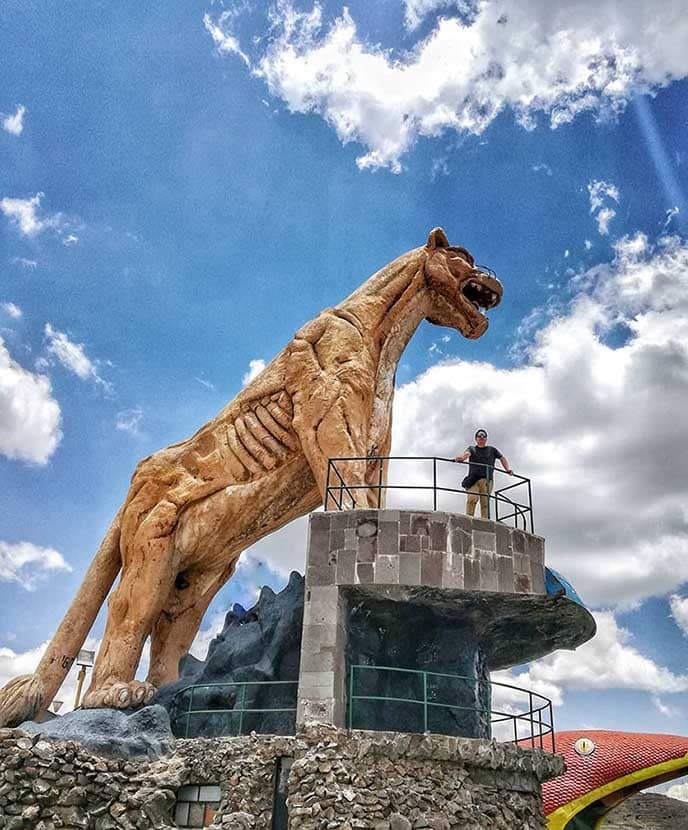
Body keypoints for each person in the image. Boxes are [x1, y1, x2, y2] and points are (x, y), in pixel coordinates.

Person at [454, 429, 512, 518]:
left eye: (483, 436)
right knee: (472, 499)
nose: (481, 438)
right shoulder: (472, 448)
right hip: (474, 479)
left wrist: (507, 469)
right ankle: (469, 519)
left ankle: (485, 522)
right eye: (479, 436)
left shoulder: (492, 450)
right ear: (476, 439)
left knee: (485, 503)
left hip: (487, 480)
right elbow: (466, 454)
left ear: (486, 439)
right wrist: (461, 458)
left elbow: (502, 458)